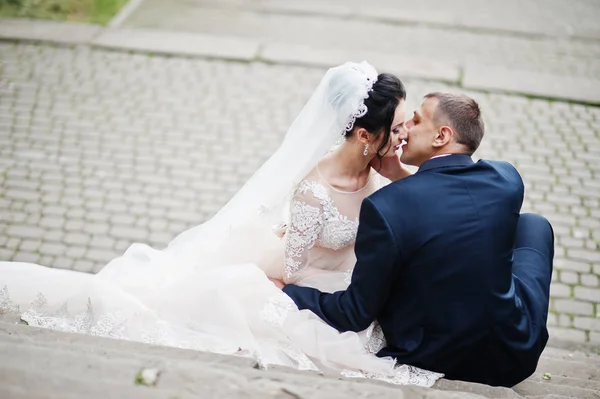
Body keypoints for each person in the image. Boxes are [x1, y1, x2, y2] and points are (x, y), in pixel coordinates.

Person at [0, 62, 442, 387]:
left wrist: (398, 169)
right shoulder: (313, 192)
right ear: (364, 135)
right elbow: (290, 273)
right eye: (399, 127)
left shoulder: (382, 165)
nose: (405, 136)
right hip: (308, 280)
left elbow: (420, 192)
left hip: (346, 272)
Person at [281, 92, 554, 387]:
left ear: (441, 136)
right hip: (514, 354)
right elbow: (445, 202)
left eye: (417, 120)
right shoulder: (506, 179)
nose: (406, 128)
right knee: (533, 225)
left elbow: (355, 313)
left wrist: (289, 293)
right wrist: (401, 175)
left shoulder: (387, 207)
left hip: (433, 355)